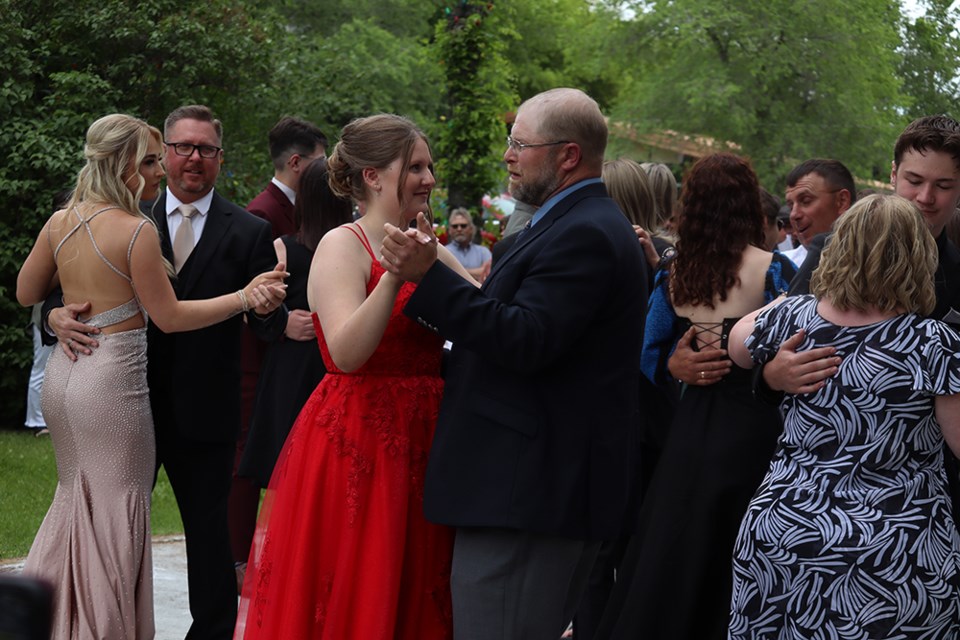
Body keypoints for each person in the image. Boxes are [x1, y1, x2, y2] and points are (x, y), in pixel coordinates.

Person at [380, 87, 647, 640]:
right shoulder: (569, 222)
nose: (507, 156)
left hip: (528, 492)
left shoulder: (586, 232)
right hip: (527, 487)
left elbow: (527, 338)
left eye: (519, 144)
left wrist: (428, 278)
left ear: (567, 155)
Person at [15, 113, 286, 639]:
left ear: (219, 158)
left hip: (160, 400)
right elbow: (163, 315)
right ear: (126, 164)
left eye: (202, 149)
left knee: (111, 513)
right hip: (117, 396)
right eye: (164, 153)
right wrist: (56, 315)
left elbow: (27, 290)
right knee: (114, 520)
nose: (172, 164)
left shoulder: (63, 219)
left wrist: (266, 306)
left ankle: (62, 619)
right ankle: (101, 624)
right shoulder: (137, 224)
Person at [235, 113, 476, 640]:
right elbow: (344, 353)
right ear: (372, 175)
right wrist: (394, 276)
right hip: (359, 437)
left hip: (429, 438)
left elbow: (489, 313)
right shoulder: (342, 245)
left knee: (418, 583)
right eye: (415, 167)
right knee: (358, 583)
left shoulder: (427, 246)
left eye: (429, 166)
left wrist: (432, 264)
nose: (429, 179)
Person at [726, 194, 960, 637]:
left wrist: (778, 346)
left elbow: (738, 346)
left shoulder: (794, 318)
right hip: (890, 552)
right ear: (918, 257)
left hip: (782, 532)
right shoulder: (933, 343)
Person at [593, 153, 796, 640]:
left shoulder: (673, 274)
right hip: (755, 425)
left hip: (690, 427)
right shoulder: (774, 271)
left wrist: (673, 366)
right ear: (748, 204)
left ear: (693, 206)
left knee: (675, 545)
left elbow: (645, 355)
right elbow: (794, 344)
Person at [231, 115, 327, 591]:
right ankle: (243, 559)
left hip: (296, 357)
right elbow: (248, 290)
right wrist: (279, 319)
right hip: (266, 359)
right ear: (297, 163)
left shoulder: (297, 212)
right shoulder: (265, 214)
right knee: (258, 462)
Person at [238, 157, 353, 488]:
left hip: (297, 365)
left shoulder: (285, 246)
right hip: (321, 360)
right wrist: (285, 321)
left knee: (293, 471)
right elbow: (258, 308)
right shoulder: (286, 249)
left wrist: (281, 320)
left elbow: (255, 307)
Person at [780, 158, 856, 267]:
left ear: (842, 201)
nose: (793, 214)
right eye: (791, 206)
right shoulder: (780, 271)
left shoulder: (878, 266)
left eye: (806, 201)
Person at [444, 207, 492, 282]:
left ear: (471, 228)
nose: (459, 229)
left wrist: (454, 271)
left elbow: (488, 274)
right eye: (455, 226)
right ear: (449, 230)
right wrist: (477, 272)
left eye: (463, 225)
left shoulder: (483, 252)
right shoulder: (444, 252)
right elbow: (444, 275)